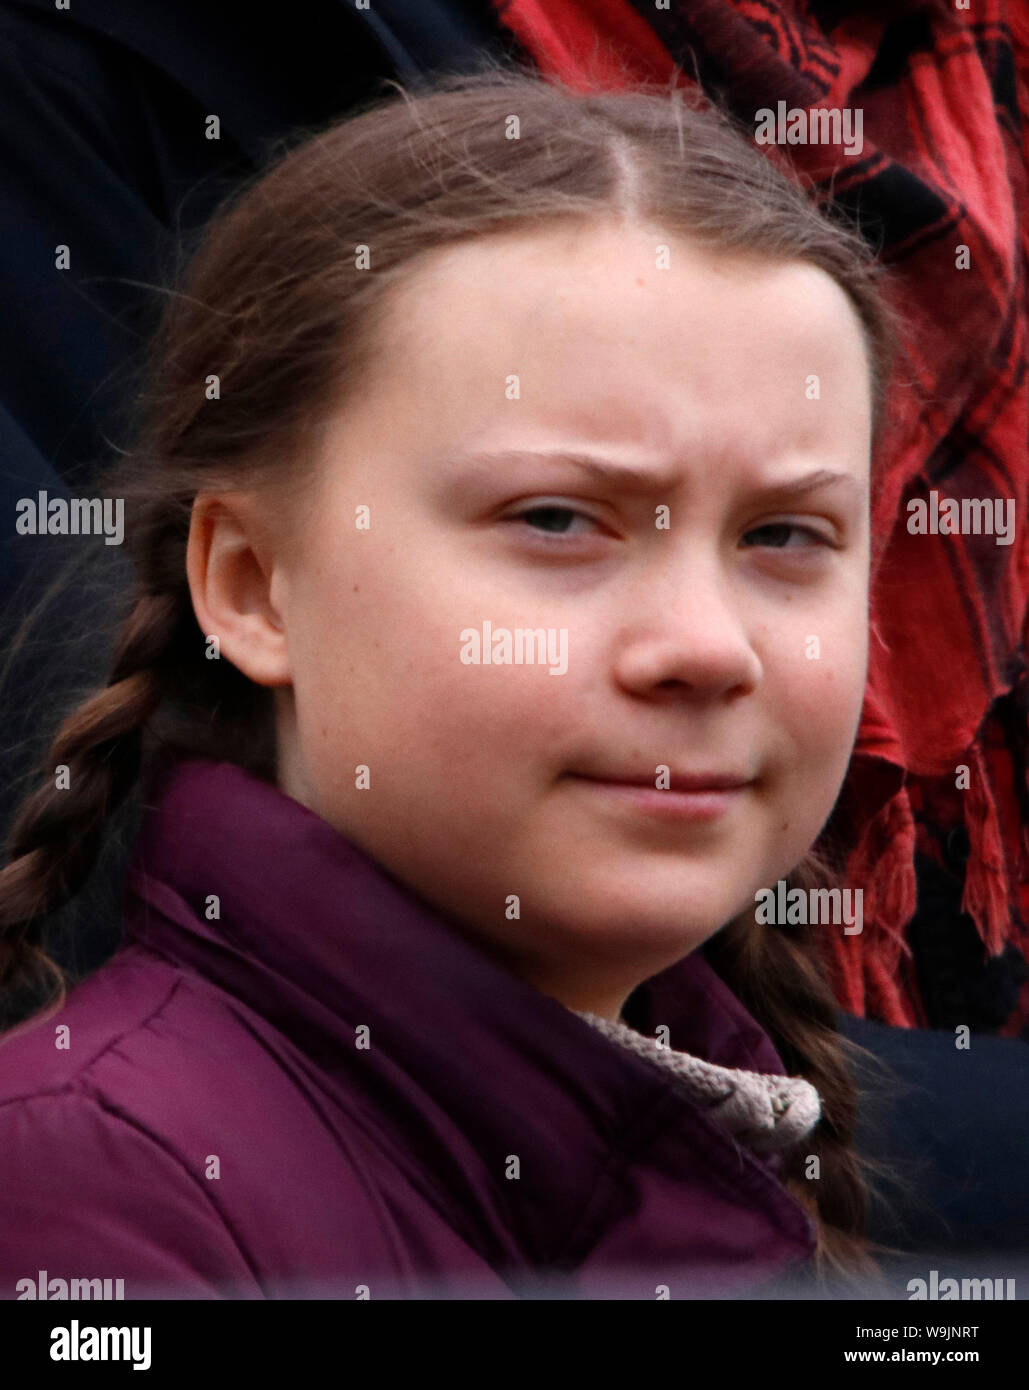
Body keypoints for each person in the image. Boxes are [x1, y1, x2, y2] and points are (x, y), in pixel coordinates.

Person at [0, 62, 905, 1300]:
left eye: (785, 536)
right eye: (554, 519)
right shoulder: (89, 1191)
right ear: (256, 583)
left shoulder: (703, 1164)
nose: (706, 645)